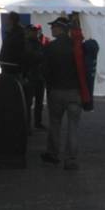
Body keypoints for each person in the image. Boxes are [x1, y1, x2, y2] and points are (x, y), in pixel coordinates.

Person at [41, 16, 89, 170]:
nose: (51, 29)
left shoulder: (50, 47)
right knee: (73, 127)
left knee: (55, 124)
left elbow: (45, 70)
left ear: (60, 29)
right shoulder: (77, 47)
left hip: (56, 91)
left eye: (53, 27)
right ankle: (71, 159)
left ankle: (53, 153)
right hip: (74, 92)